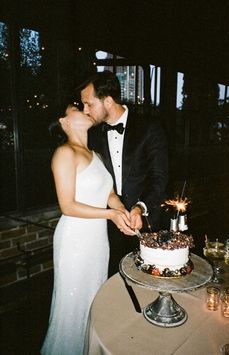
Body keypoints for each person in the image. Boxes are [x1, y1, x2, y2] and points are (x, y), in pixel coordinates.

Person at [41, 106, 137, 355]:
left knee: (94, 300)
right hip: (74, 240)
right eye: (75, 108)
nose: (84, 109)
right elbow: (68, 205)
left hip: (97, 241)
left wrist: (122, 213)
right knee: (71, 306)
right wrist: (110, 214)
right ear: (64, 121)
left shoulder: (97, 156)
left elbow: (109, 194)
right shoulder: (64, 153)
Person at [78, 71, 168, 276]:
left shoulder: (150, 128)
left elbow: (159, 178)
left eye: (89, 104)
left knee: (147, 281)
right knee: (112, 282)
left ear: (108, 101)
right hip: (107, 226)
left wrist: (140, 207)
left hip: (146, 223)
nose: (85, 110)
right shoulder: (91, 134)